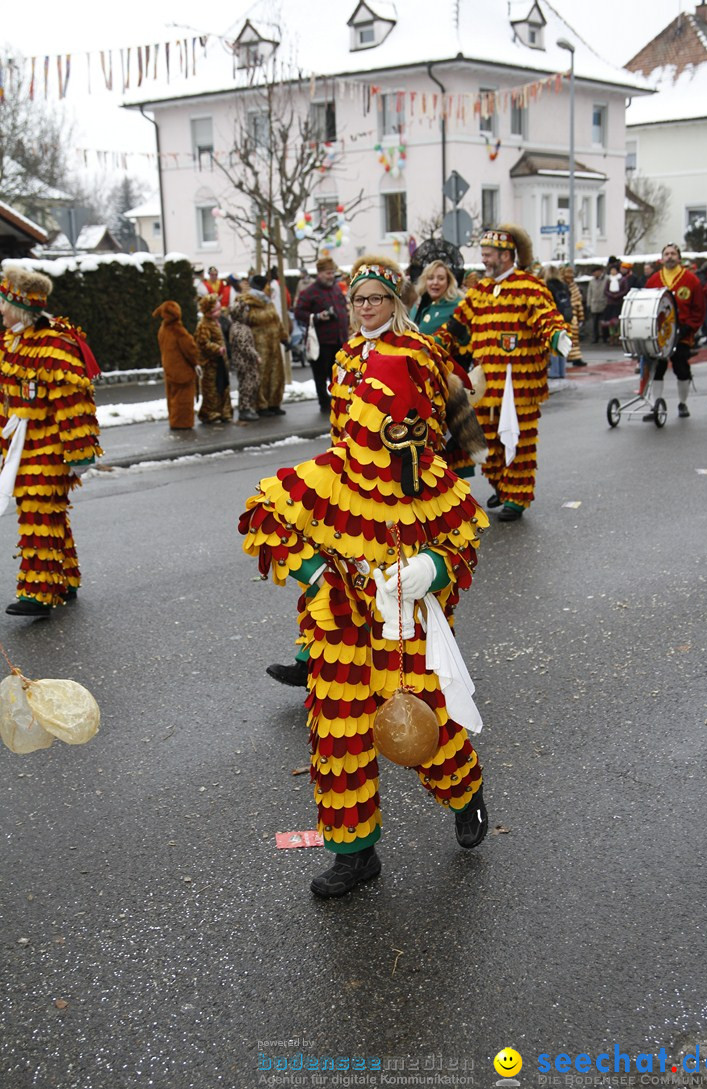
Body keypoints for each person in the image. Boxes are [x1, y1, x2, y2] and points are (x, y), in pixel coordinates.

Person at [239, 324, 490, 898]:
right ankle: (355, 856)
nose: (396, 435)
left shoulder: (433, 479)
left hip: (406, 632)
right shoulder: (328, 473)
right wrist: (316, 571)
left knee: (428, 726)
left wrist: (432, 567)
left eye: (407, 423)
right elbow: (262, 517)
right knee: (339, 740)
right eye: (386, 421)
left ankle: (465, 791)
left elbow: (462, 542)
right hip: (337, 632)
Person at [438, 225, 570, 522]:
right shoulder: (480, 291)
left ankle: (518, 496)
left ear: (507, 255)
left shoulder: (530, 287)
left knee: (519, 440)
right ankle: (502, 484)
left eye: (489, 253)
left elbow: (547, 318)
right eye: (483, 253)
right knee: (485, 440)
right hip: (486, 381)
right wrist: (431, 344)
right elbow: (457, 326)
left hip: (519, 383)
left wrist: (557, 336)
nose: (484, 258)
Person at [0, 265, 102, 617]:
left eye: (3, 302)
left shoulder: (54, 344)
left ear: (18, 305)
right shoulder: (13, 340)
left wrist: (80, 453)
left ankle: (38, 594)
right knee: (50, 513)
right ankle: (65, 579)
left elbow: (73, 401)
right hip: (22, 447)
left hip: (49, 449)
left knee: (38, 514)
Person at [644, 243, 706, 419]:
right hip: (659, 335)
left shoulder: (691, 280)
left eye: (673, 253)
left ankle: (683, 403)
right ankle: (656, 405)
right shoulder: (653, 281)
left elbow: (699, 309)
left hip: (682, 333)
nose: (670, 256)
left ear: (679, 258)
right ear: (662, 258)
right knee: (657, 368)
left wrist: (689, 328)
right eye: (666, 254)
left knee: (681, 368)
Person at [294, 256, 349, 414]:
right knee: (321, 374)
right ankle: (324, 403)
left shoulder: (336, 289)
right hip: (321, 341)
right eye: (327, 273)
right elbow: (299, 313)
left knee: (338, 374)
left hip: (339, 339)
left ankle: (339, 400)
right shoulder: (309, 292)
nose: (330, 276)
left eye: (332, 273)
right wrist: (317, 317)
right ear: (319, 274)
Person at [239, 274, 287, 417]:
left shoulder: (268, 302)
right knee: (261, 374)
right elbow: (242, 323)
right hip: (259, 346)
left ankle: (274, 403)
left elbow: (277, 322)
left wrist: (284, 338)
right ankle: (261, 404)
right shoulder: (248, 302)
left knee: (276, 374)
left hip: (274, 345)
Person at [153, 300, 201, 430]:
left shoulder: (163, 329)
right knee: (183, 399)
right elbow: (190, 349)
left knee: (172, 398)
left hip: (169, 369)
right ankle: (182, 423)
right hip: (183, 371)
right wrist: (196, 362)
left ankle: (174, 421)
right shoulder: (178, 331)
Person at [195, 294, 233, 424]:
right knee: (211, 389)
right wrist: (217, 349)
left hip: (221, 361)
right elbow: (203, 343)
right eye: (216, 310)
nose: (219, 312)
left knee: (224, 386)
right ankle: (209, 413)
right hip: (210, 363)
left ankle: (225, 412)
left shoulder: (218, 323)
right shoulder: (203, 325)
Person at [228, 296, 261, 422]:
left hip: (246, 361)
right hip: (245, 362)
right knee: (247, 384)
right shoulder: (239, 329)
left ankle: (247, 407)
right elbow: (245, 346)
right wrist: (255, 355)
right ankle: (244, 409)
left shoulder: (241, 326)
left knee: (252, 382)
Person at [410, 260, 462, 335]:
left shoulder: (457, 306)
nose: (435, 282)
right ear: (425, 281)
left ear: (448, 281)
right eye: (430, 278)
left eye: (441, 278)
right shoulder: (417, 305)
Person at [542, 265, 572, 379]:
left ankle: (555, 371)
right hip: (565, 317)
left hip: (553, 317)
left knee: (553, 344)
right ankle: (561, 371)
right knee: (562, 343)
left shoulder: (547, 286)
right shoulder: (564, 286)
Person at [561, 266, 586, 366]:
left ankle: (575, 357)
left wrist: (581, 317)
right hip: (567, 314)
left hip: (571, 314)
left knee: (573, 337)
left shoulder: (572, 286)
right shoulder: (565, 286)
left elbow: (578, 303)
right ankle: (573, 358)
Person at [586, 267, 607, 343]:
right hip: (594, 304)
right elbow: (589, 293)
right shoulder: (592, 281)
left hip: (603, 303)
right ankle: (596, 337)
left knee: (604, 322)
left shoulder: (606, 279)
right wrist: (589, 304)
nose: (594, 274)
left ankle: (605, 337)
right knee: (595, 323)